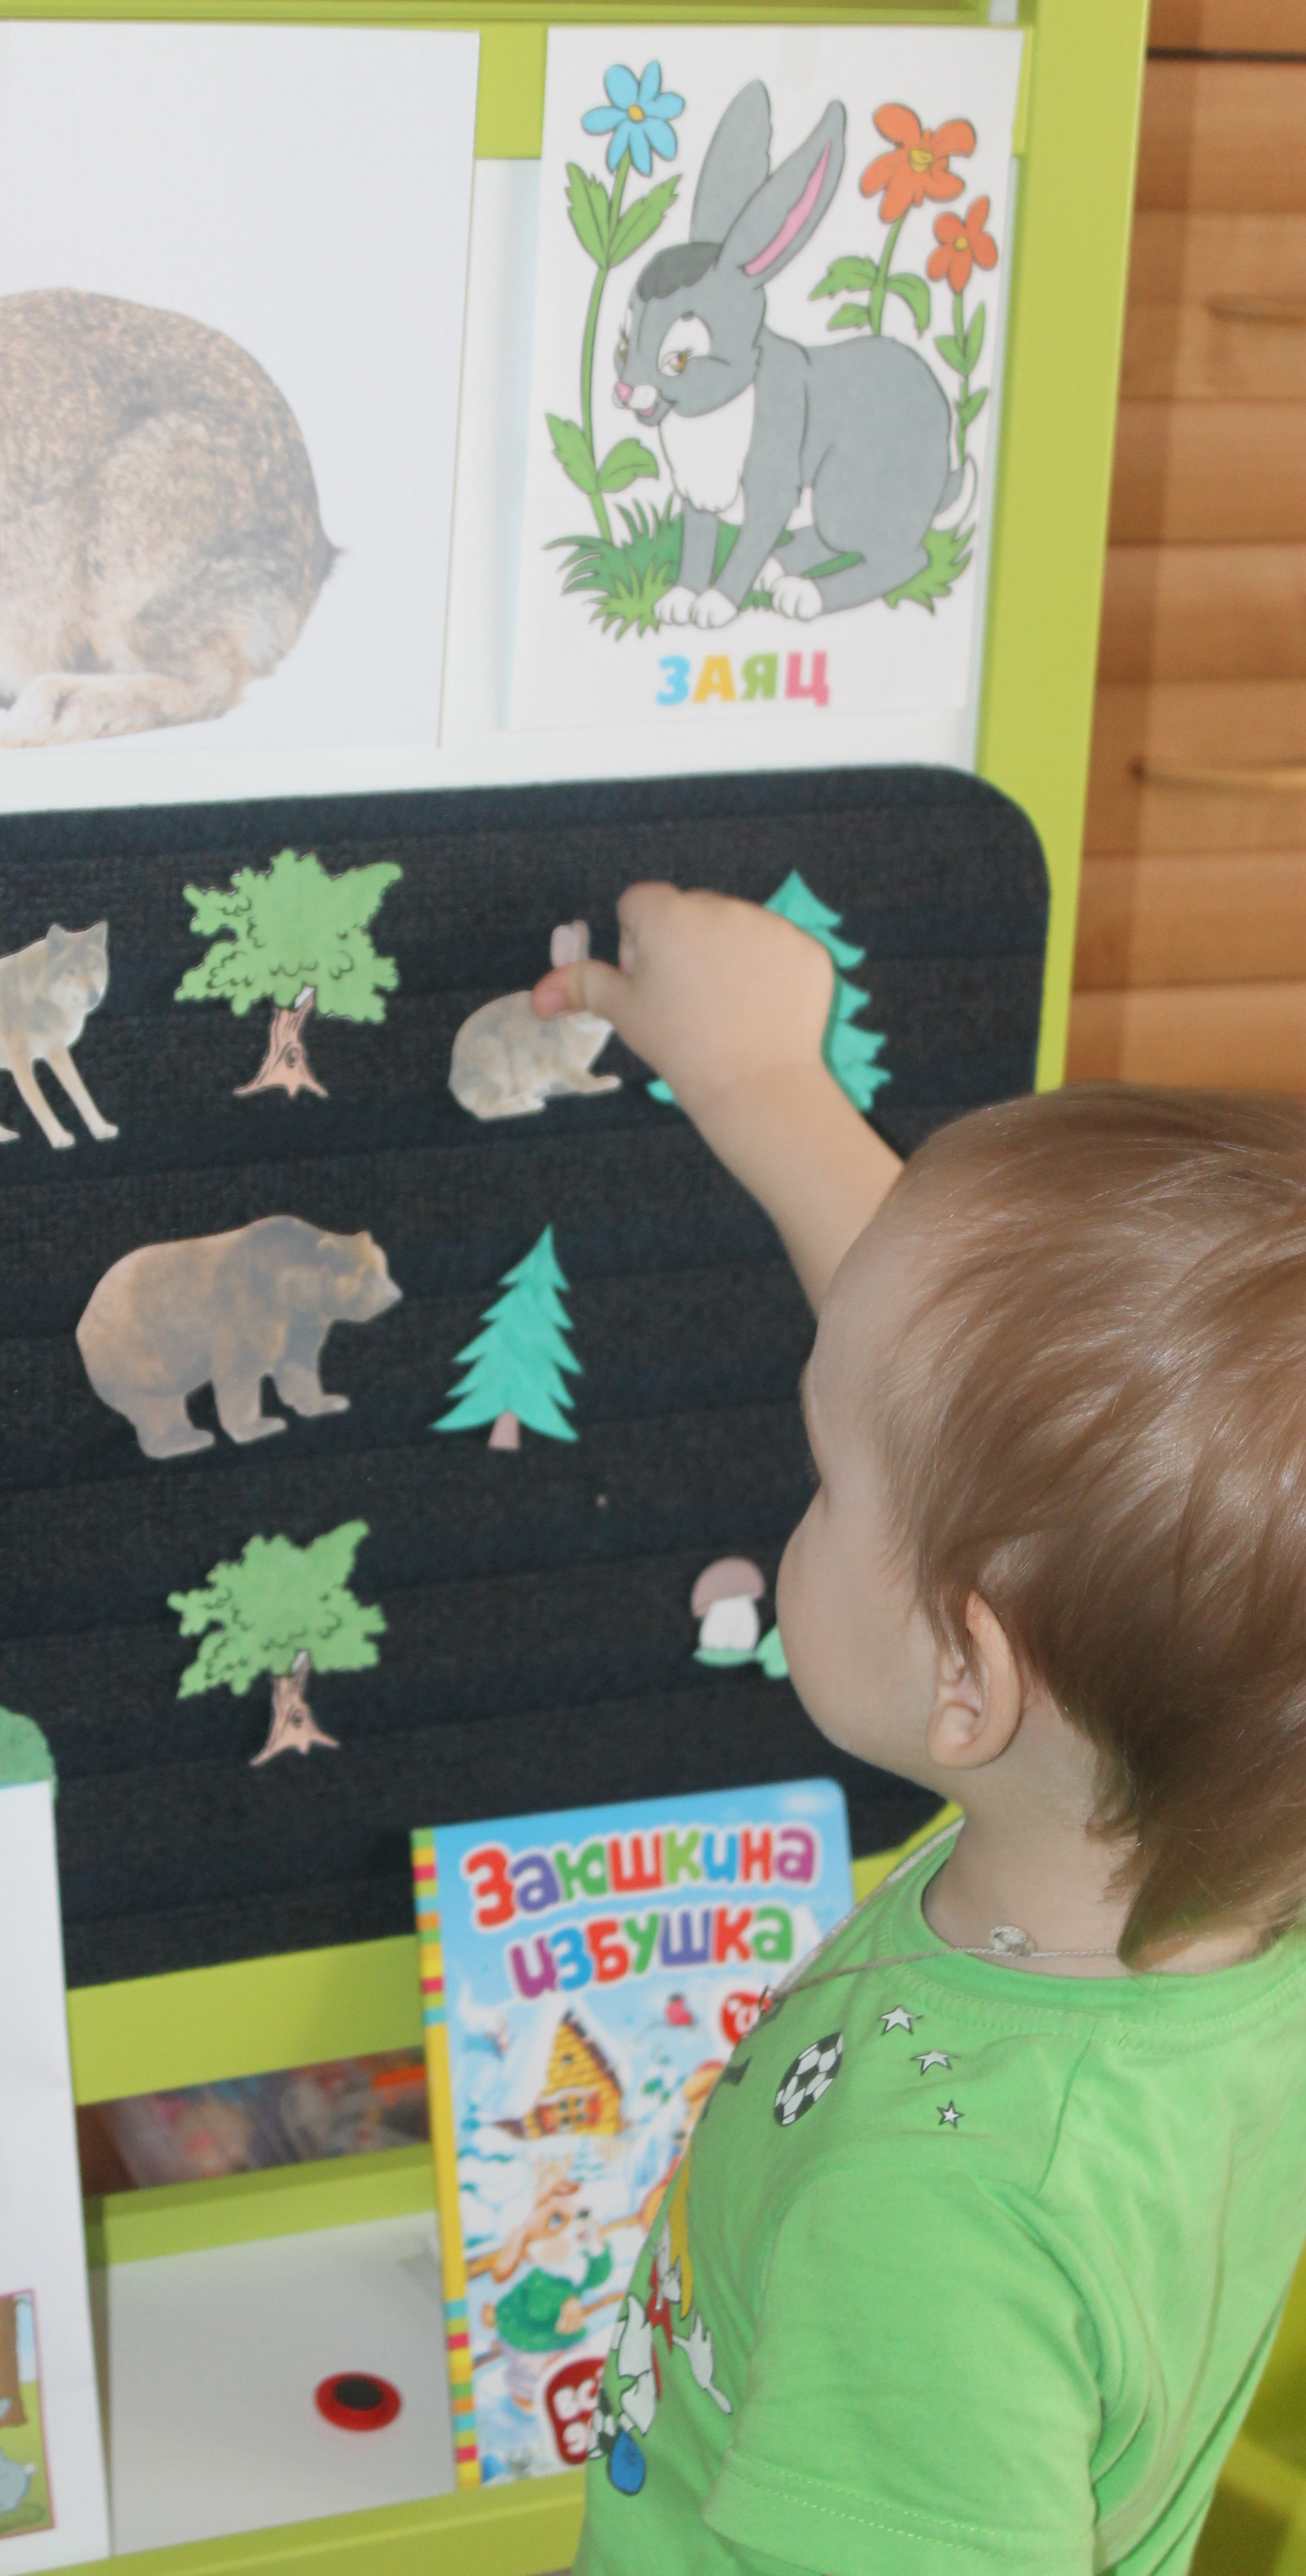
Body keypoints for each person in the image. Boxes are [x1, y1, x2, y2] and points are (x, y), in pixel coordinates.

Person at [530, 883, 1306, 2576]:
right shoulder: (1212, 1849)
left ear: (970, 1675)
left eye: (824, 1484)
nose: (798, 1505)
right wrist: (757, 1079)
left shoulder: (940, 2219)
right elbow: (957, 1403)